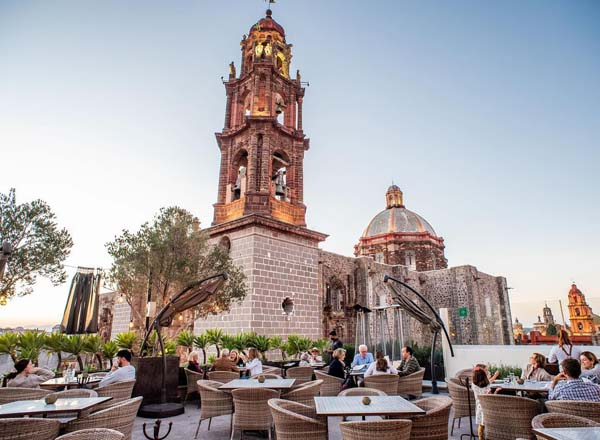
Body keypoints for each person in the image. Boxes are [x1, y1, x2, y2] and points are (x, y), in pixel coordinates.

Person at [472, 365, 502, 440]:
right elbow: (490, 397)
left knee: (481, 425)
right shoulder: (487, 385)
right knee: (488, 424)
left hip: (479, 407)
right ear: (484, 376)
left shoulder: (473, 385)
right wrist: (496, 391)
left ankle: (480, 438)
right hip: (488, 407)